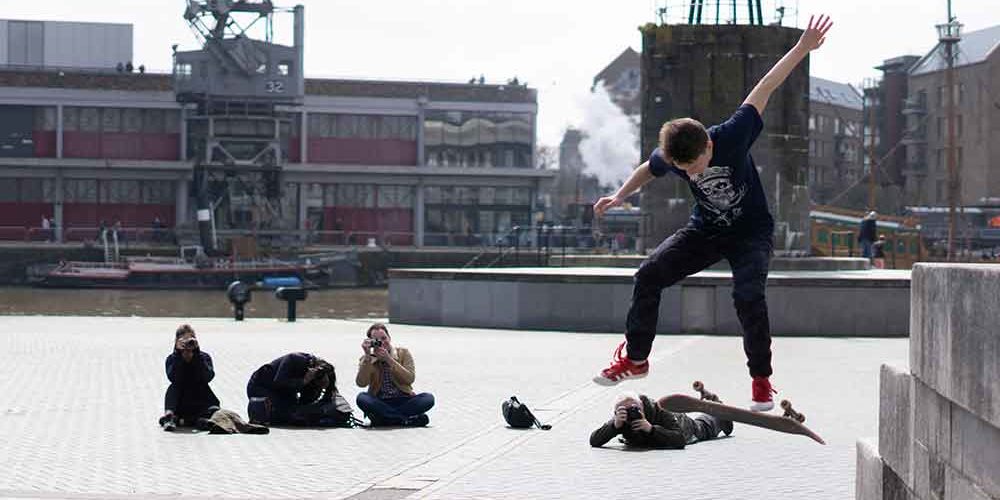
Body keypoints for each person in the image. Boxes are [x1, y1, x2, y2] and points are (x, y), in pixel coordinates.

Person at [590, 15, 834, 411]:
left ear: (707, 145)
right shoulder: (675, 154)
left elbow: (765, 87)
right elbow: (647, 169)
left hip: (750, 232)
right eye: (683, 170)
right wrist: (619, 196)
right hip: (705, 231)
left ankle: (761, 380)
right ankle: (636, 360)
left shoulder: (734, 133)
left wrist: (803, 47)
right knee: (648, 275)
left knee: (748, 295)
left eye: (695, 167)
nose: (690, 174)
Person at [355, 323, 434, 427]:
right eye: (377, 340)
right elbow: (361, 383)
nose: (382, 342)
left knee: (428, 398)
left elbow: (409, 379)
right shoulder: (367, 359)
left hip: (404, 399)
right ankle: (404, 419)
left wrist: (389, 359)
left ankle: (386, 419)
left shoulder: (403, 353)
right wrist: (367, 356)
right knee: (362, 398)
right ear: (371, 343)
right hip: (380, 401)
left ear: (389, 338)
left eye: (384, 338)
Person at [590, 392, 732, 449]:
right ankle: (709, 401)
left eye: (635, 409)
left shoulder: (660, 410)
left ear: (642, 406)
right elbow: (594, 441)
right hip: (657, 437)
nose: (631, 413)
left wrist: (651, 429)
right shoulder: (621, 417)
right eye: (624, 410)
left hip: (681, 425)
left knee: (704, 428)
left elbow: (680, 440)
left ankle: (720, 413)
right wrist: (614, 427)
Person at [246, 352, 350, 426]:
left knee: (299, 413)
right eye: (318, 383)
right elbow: (279, 382)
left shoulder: (327, 372)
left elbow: (307, 400)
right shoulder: (293, 359)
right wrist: (304, 381)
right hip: (261, 387)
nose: (319, 385)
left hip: (285, 393)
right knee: (286, 414)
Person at [159, 324, 220, 431]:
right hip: (180, 402)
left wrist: (196, 355)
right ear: (177, 342)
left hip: (200, 399)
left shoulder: (204, 357)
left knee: (213, 410)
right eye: (184, 341)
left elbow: (208, 377)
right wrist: (179, 356)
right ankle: (172, 417)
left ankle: (182, 421)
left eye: (190, 340)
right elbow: (173, 378)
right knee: (174, 386)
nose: (187, 344)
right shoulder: (172, 359)